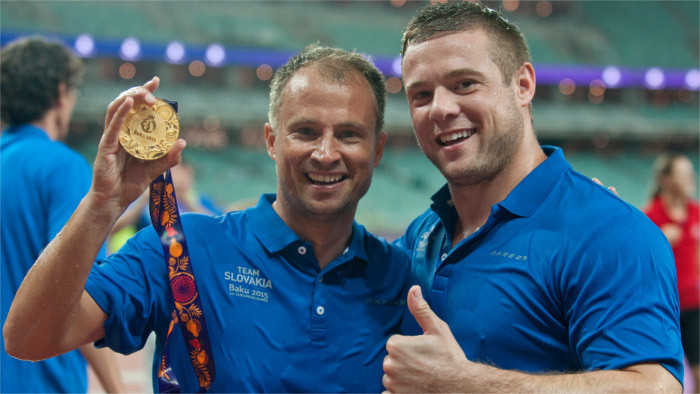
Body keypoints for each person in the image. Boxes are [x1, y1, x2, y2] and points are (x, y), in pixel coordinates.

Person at [4, 44, 410, 392]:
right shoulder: (179, 248)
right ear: (271, 141)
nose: (325, 153)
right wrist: (101, 205)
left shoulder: (400, 277)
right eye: (304, 131)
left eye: (349, 134)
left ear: (377, 150)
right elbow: (29, 338)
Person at [382, 2, 683, 392]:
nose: (440, 108)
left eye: (465, 84)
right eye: (421, 94)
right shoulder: (423, 233)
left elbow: (654, 387)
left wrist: (462, 383)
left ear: (522, 85)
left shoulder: (608, 231)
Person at [0, 36, 124, 393]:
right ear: (59, 93)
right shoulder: (62, 167)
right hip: (40, 380)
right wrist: (116, 388)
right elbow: (75, 292)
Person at [644, 153, 699, 392]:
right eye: (684, 174)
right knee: (663, 376)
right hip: (663, 309)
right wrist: (661, 241)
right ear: (666, 180)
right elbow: (638, 266)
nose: (691, 178)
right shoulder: (649, 217)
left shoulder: (696, 212)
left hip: (694, 306)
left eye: (691, 173)